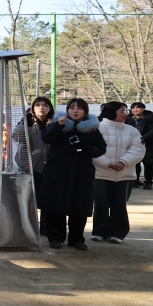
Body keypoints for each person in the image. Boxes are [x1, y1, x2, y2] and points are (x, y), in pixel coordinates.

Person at [40, 98, 106, 250]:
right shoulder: (59, 124)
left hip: (82, 172)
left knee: (80, 206)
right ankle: (55, 237)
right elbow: (46, 138)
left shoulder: (92, 129)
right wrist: (58, 125)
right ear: (67, 110)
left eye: (79, 108)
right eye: (72, 108)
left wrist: (85, 148)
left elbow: (101, 148)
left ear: (85, 111)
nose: (75, 111)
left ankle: (77, 239)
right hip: (58, 172)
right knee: (55, 204)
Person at [92, 101, 144, 244]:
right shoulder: (96, 128)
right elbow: (91, 150)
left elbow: (138, 149)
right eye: (122, 111)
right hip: (101, 173)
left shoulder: (132, 130)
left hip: (124, 175)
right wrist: (107, 163)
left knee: (119, 203)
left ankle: (118, 233)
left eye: (126, 111)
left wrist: (123, 162)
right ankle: (98, 231)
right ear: (111, 112)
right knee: (101, 203)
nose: (126, 114)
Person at [14, 97, 53, 235]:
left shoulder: (55, 123)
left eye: (45, 105)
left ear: (49, 108)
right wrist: (26, 121)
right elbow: (16, 136)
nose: (41, 107)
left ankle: (46, 228)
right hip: (28, 166)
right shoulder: (28, 122)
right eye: (38, 105)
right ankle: (27, 227)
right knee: (28, 199)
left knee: (48, 200)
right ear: (33, 108)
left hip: (49, 168)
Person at [127, 102, 153, 190]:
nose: (135, 110)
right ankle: (135, 181)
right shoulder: (128, 118)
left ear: (143, 109)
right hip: (133, 144)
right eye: (133, 108)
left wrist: (141, 139)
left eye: (138, 108)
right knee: (135, 163)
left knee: (148, 164)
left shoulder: (150, 118)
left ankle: (148, 182)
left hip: (148, 145)